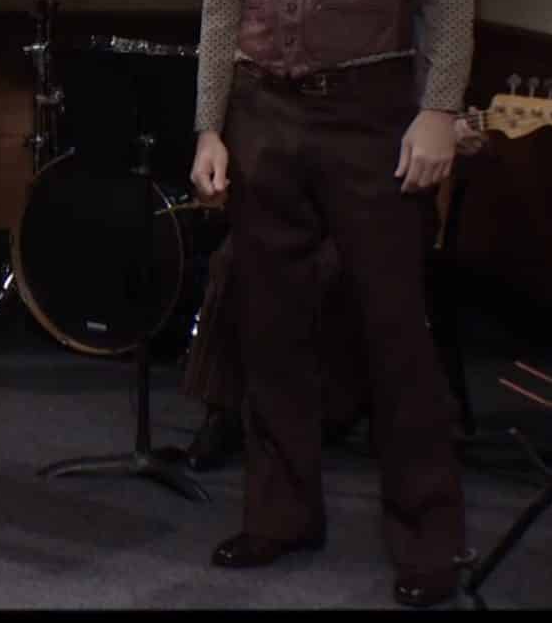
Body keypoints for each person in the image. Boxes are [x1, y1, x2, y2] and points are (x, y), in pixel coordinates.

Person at [189, 0, 476, 608]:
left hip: (371, 109)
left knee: (394, 330)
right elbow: (221, 4)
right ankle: (280, 514)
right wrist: (209, 128)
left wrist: (439, 108)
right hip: (263, 111)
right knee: (269, 327)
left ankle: (428, 540)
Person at [177, 117, 487, 470]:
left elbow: (447, 117)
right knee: (233, 258)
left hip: (388, 203)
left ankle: (332, 408)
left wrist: (450, 131)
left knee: (332, 267)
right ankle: (223, 411)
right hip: (313, 190)